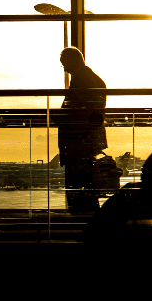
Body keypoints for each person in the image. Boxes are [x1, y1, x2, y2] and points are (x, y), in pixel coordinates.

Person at [58, 46, 108, 213]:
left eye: (64, 63)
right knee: (88, 191)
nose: (64, 68)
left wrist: (61, 116)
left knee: (78, 191)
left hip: (78, 143)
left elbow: (78, 113)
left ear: (73, 61)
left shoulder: (81, 81)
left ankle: (81, 225)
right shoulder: (94, 79)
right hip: (87, 142)